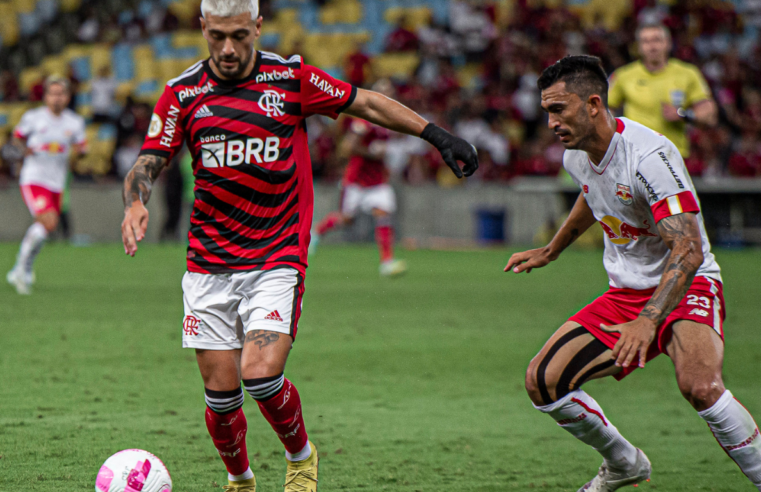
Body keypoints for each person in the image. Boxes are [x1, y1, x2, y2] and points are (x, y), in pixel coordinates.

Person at [119, 1, 478, 491]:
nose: (228, 48)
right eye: (218, 35)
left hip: (276, 256)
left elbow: (366, 103)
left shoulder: (289, 79)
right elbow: (148, 160)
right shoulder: (181, 93)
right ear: (202, 27)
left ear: (258, 28)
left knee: (261, 375)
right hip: (208, 263)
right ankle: (240, 479)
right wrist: (135, 203)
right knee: (221, 398)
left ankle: (301, 456)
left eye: (240, 36)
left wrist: (435, 135)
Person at [506, 56, 760, 491]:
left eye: (558, 109)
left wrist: (648, 319)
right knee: (543, 381)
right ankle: (624, 463)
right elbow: (593, 196)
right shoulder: (577, 155)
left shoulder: (651, 156)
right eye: (546, 110)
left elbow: (689, 247)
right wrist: (553, 249)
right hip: (625, 292)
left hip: (686, 283)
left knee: (700, 386)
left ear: (592, 104)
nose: (550, 122)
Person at [311, 79, 407, 277]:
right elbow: (347, 147)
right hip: (356, 180)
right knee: (346, 219)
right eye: (384, 93)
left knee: (383, 214)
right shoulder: (364, 121)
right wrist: (371, 152)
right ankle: (315, 233)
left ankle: (386, 262)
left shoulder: (388, 120)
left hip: (378, 180)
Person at [7, 75, 87, 295]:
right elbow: (16, 139)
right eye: (52, 94)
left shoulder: (74, 122)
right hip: (34, 178)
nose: (56, 98)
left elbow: (81, 148)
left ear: (68, 97)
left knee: (45, 229)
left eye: (61, 94)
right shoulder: (33, 118)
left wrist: (79, 154)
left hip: (57, 183)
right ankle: (20, 269)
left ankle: (21, 268)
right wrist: (24, 150)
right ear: (45, 96)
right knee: (48, 221)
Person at [608, 23, 718, 158]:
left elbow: (710, 114)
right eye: (646, 41)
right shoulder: (623, 76)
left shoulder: (687, 73)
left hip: (674, 156)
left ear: (668, 43)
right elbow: (606, 111)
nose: (652, 46)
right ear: (639, 47)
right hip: (635, 157)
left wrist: (682, 114)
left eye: (657, 40)